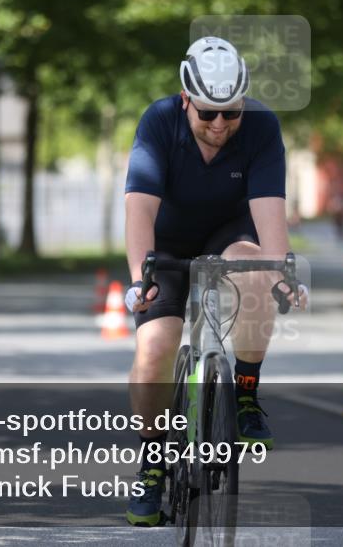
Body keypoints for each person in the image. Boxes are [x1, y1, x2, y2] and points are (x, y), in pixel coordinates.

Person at [122, 36, 308, 526]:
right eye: (207, 114)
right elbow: (139, 208)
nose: (221, 124)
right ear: (186, 100)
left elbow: (270, 215)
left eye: (231, 113)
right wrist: (140, 279)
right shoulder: (158, 121)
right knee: (154, 348)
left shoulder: (263, 127)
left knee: (257, 275)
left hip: (229, 235)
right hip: (166, 242)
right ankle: (152, 462)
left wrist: (280, 273)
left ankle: (245, 393)